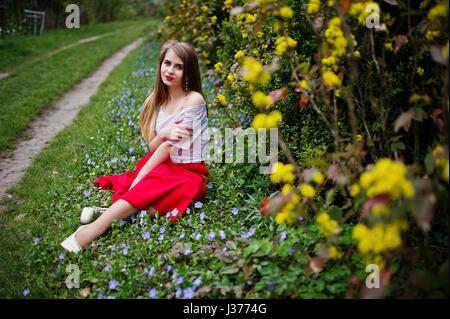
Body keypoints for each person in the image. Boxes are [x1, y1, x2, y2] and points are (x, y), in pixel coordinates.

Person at [60, 40, 210, 253]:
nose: (170, 70)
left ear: (188, 74)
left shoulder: (193, 100)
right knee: (153, 186)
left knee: (189, 187)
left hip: (189, 169)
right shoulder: (156, 101)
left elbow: (169, 148)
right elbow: (154, 146)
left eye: (179, 66)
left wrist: (138, 182)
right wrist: (164, 133)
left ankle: (106, 215)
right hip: (159, 162)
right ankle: (93, 229)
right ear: (160, 64)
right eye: (167, 63)